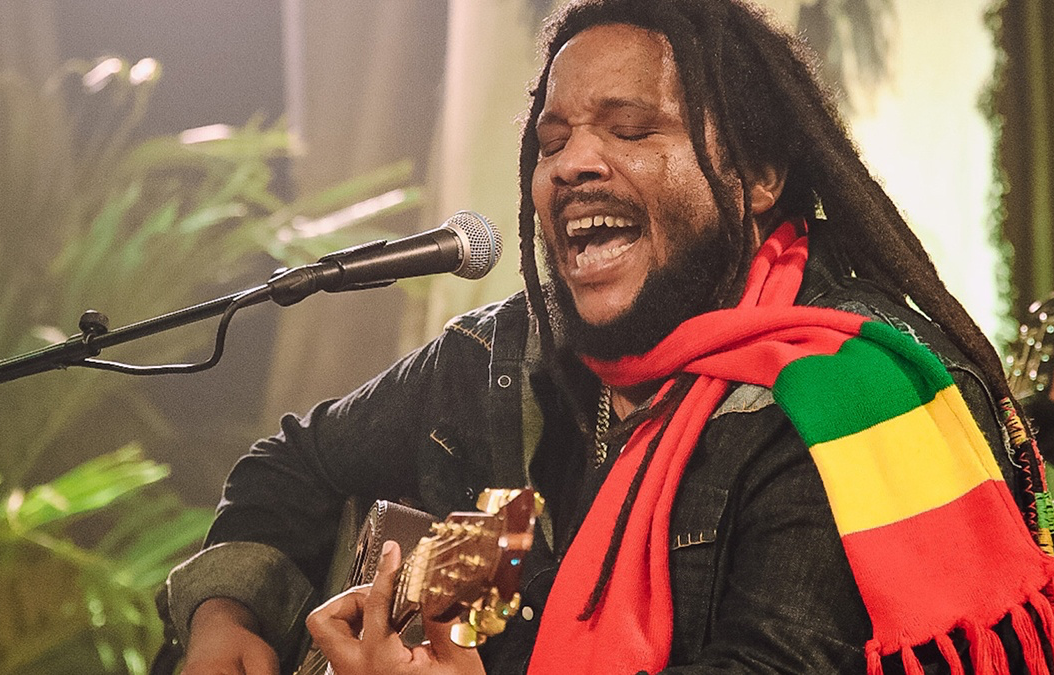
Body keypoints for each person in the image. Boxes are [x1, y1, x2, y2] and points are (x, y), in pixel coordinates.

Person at [162, 0, 1054, 673]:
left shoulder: (846, 401)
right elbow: (295, 463)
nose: (572, 164)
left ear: (758, 173)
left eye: (631, 129)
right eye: (552, 142)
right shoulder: (505, 355)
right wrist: (224, 616)